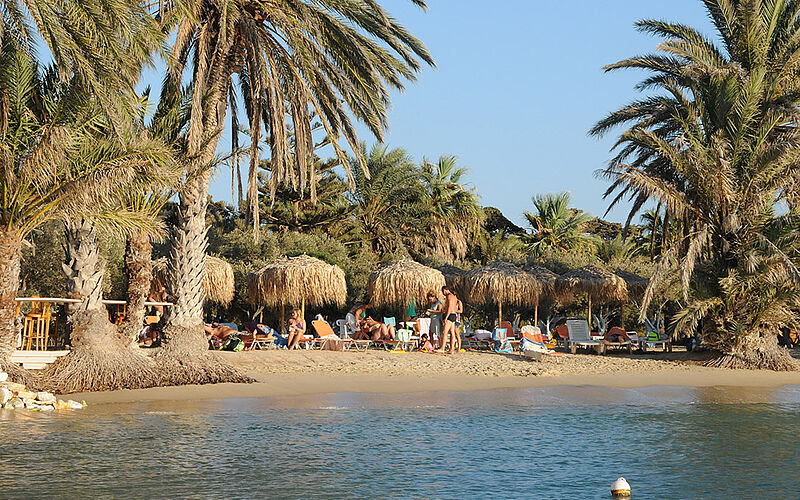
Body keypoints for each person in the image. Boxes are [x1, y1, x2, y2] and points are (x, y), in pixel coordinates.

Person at [438, 285, 459, 354]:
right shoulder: (454, 297)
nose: (443, 293)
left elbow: (450, 307)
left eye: (442, 292)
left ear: (444, 290)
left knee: (445, 332)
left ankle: (442, 348)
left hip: (450, 315)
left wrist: (446, 317)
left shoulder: (449, 296)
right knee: (452, 333)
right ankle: (451, 349)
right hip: (453, 315)